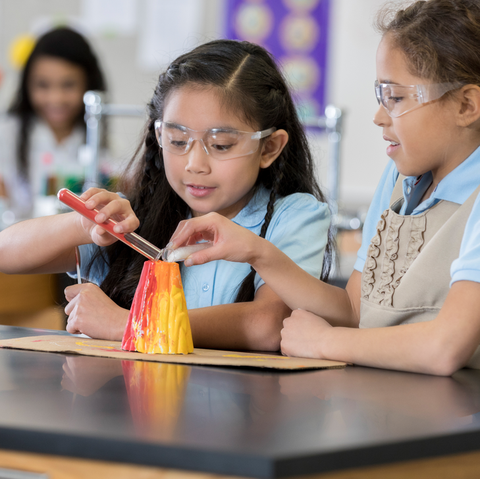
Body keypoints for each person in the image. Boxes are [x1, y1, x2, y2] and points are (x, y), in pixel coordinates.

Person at [166, 0, 480, 375]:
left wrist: (324, 342)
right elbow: (352, 310)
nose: (379, 116)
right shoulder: (399, 179)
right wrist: (258, 253)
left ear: (466, 105)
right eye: (380, 95)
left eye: (395, 98)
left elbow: (443, 348)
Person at [0, 39, 333, 351]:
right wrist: (83, 226)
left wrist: (132, 324)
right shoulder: (139, 215)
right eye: (176, 140)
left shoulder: (294, 217)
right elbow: (6, 254)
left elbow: (266, 325)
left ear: (269, 147)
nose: (194, 164)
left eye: (221, 145)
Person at [0, 27, 107, 219]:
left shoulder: (104, 145)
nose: (56, 99)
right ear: (27, 85)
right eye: (43, 85)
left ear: (88, 84)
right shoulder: (6, 134)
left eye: (68, 85)